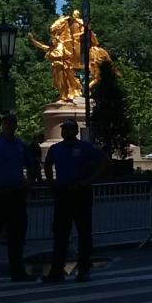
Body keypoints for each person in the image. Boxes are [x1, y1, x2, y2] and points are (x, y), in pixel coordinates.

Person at [43, 120, 105, 283]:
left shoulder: (85, 148)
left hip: (80, 192)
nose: (65, 132)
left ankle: (84, 270)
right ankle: (57, 270)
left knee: (84, 233)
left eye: (68, 129)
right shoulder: (55, 148)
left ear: (75, 131)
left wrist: (88, 181)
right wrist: (51, 182)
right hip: (63, 192)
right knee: (60, 233)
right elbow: (48, 164)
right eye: (63, 130)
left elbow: (102, 163)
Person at [0, 113, 35, 282]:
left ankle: (17, 270)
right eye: (7, 123)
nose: (10, 126)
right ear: (2, 125)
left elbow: (32, 165)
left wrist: (29, 183)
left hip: (16, 193)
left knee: (17, 234)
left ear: (16, 126)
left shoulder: (21, 145)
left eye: (13, 123)